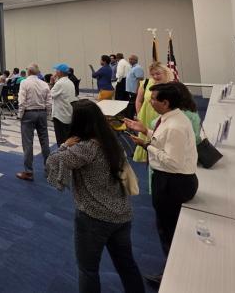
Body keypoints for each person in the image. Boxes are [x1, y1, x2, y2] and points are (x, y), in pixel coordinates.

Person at [47, 100, 145, 293]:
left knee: (88, 270)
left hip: (94, 217)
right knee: (126, 265)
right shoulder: (110, 139)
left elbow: (52, 161)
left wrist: (64, 145)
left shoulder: (85, 148)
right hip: (122, 213)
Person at [124, 83, 198, 284]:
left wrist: (146, 145)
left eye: (154, 99)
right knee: (166, 227)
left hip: (173, 184)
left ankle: (175, 273)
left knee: (168, 229)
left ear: (165, 103)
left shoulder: (175, 126)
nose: (149, 101)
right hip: (170, 180)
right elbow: (164, 141)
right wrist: (145, 130)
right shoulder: (171, 119)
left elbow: (173, 161)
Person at [132, 62, 174, 162]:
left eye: (158, 73)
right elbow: (138, 101)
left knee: (162, 141)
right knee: (146, 140)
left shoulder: (171, 86)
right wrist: (139, 115)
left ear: (165, 72)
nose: (155, 76)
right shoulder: (145, 83)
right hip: (146, 117)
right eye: (152, 74)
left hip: (164, 118)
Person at [16, 64, 52, 181]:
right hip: (42, 113)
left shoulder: (24, 82)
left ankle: (29, 172)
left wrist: (20, 115)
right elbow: (49, 102)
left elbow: (22, 101)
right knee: (45, 141)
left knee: (27, 143)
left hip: (28, 113)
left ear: (29, 72)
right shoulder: (44, 83)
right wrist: (47, 114)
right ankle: (49, 170)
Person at [51, 63, 77, 145]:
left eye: (56, 70)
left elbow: (50, 94)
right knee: (67, 138)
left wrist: (51, 82)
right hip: (68, 113)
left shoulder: (59, 83)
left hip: (60, 115)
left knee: (61, 141)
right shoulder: (70, 82)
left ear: (60, 72)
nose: (55, 72)